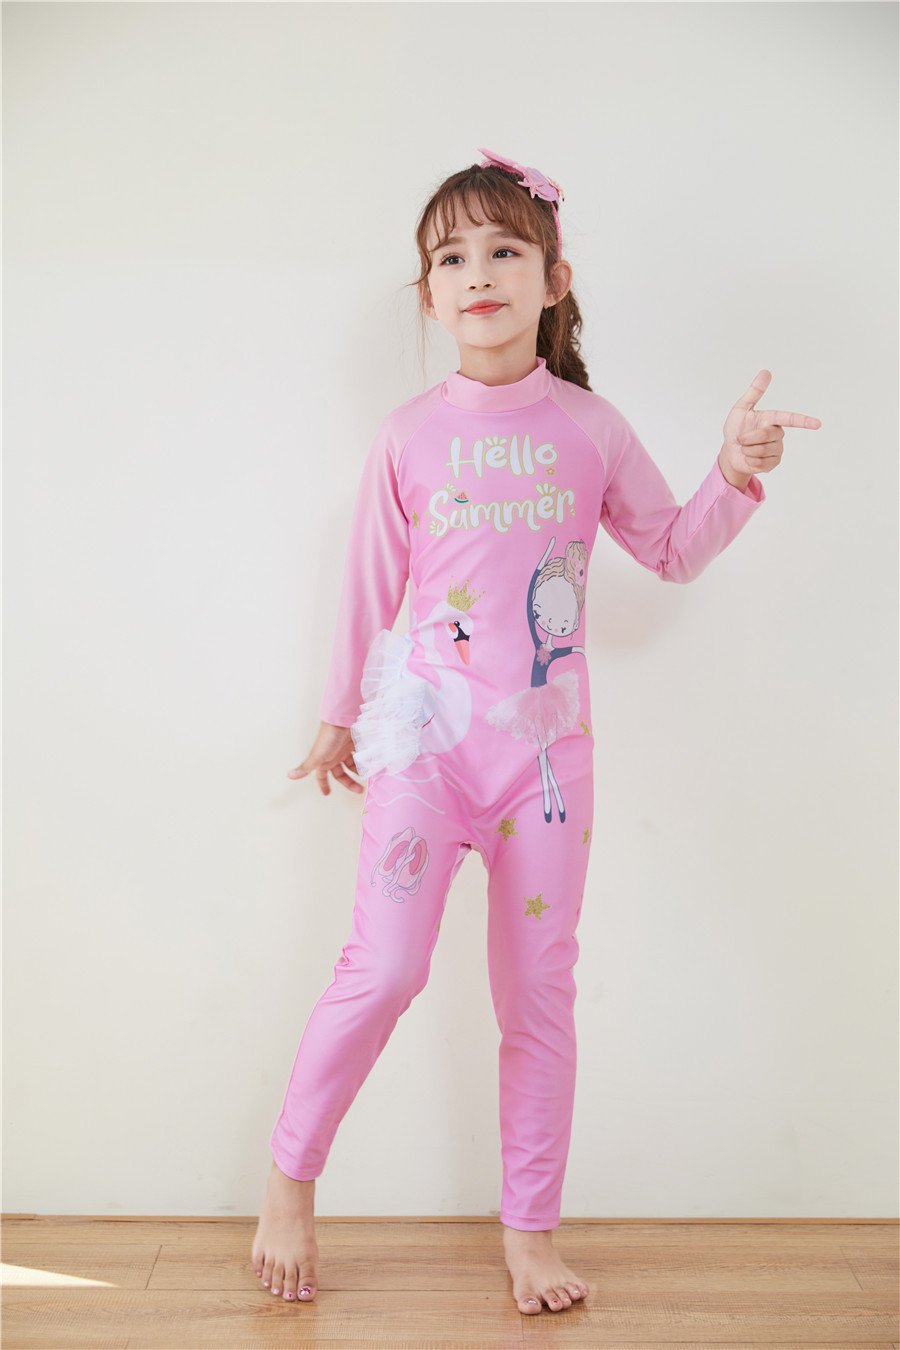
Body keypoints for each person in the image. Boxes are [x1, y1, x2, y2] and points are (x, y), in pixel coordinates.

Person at [251, 148, 821, 1315]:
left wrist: (732, 470)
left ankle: (530, 1232)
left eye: (505, 250)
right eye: (451, 257)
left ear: (554, 279)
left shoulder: (590, 429)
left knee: (538, 996)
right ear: (429, 294)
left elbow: (670, 549)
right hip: (426, 749)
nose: (479, 273)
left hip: (546, 768)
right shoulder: (408, 436)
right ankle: (289, 1181)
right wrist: (336, 715)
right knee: (385, 966)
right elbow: (368, 583)